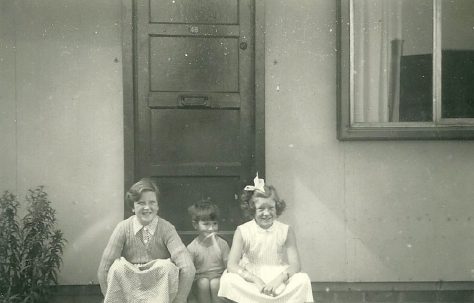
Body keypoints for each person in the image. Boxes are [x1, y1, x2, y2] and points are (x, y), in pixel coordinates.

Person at [218, 174, 314, 303]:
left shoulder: (286, 230)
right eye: (261, 209)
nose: (267, 213)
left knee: (303, 280)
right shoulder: (243, 231)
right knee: (228, 280)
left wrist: (278, 280)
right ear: (252, 209)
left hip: (278, 274)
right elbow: (232, 265)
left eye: (271, 208)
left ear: (277, 208)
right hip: (251, 277)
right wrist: (255, 279)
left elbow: (296, 265)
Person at [97, 178, 195, 303]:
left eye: (152, 202)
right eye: (141, 203)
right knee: (117, 267)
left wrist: (179, 299)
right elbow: (104, 268)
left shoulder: (167, 228)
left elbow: (187, 267)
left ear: (158, 206)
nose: (147, 208)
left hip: (159, 292)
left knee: (167, 267)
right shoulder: (123, 228)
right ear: (132, 207)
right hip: (129, 290)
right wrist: (109, 296)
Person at [187, 198, 230, 303]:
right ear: (195, 225)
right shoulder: (192, 248)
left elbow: (229, 267)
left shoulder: (222, 244)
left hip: (219, 279)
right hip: (200, 282)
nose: (211, 228)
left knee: (215, 283)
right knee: (203, 283)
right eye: (206, 224)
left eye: (214, 223)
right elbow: (188, 272)